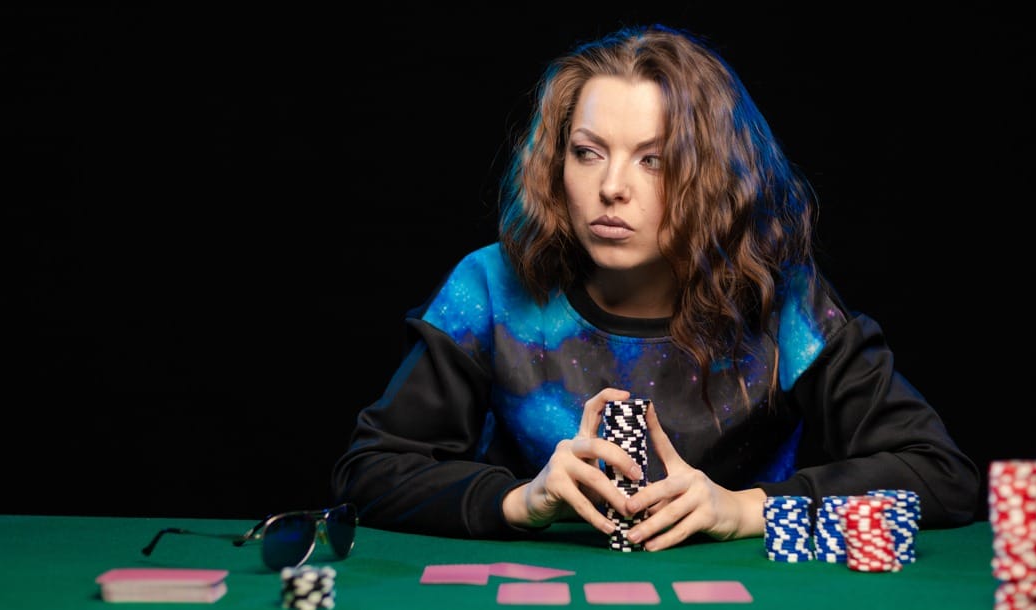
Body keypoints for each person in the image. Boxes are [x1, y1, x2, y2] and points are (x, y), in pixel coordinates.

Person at [330, 23, 980, 551]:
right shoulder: (491, 285)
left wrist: (742, 510)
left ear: (714, 178)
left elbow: (940, 474)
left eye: (654, 160)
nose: (612, 187)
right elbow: (369, 471)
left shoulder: (781, 298)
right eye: (588, 152)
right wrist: (521, 500)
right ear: (557, 163)